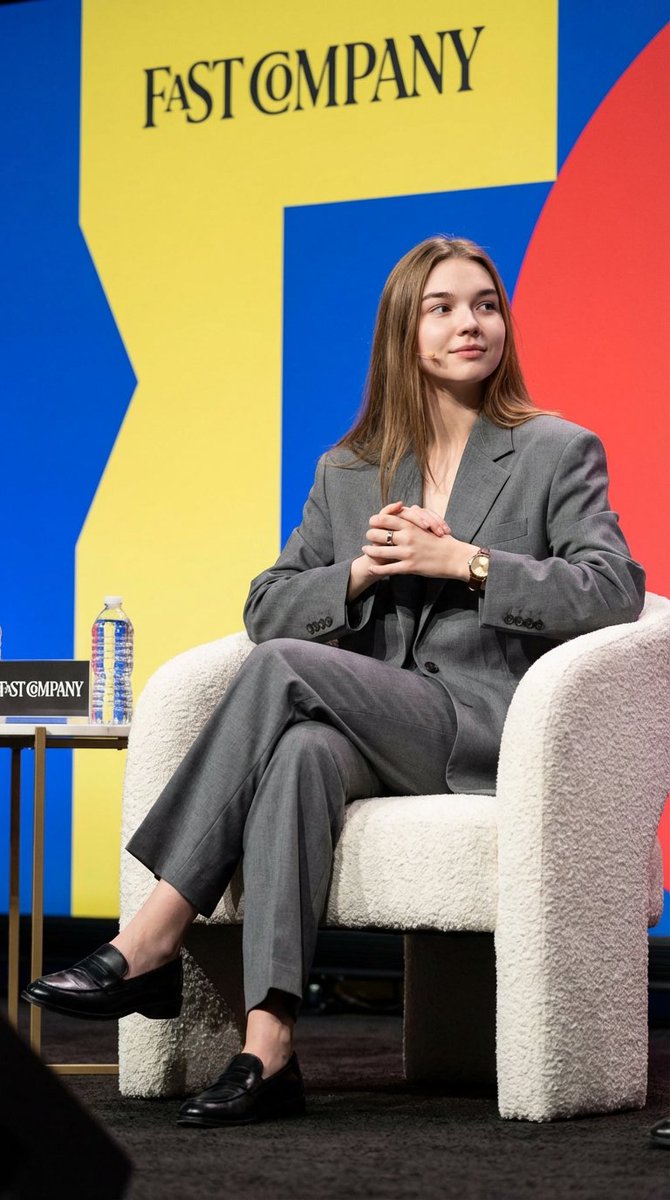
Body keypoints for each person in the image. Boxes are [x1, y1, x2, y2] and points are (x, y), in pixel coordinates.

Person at [23, 235, 646, 1127]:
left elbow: (614, 589)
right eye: (442, 307)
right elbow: (267, 606)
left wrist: (466, 562)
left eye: (485, 304)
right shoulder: (349, 470)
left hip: (478, 728)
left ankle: (155, 933)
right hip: (367, 725)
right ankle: (269, 1047)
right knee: (301, 754)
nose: (470, 322)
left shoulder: (553, 449)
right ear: (403, 330)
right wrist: (356, 575)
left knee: (284, 676)